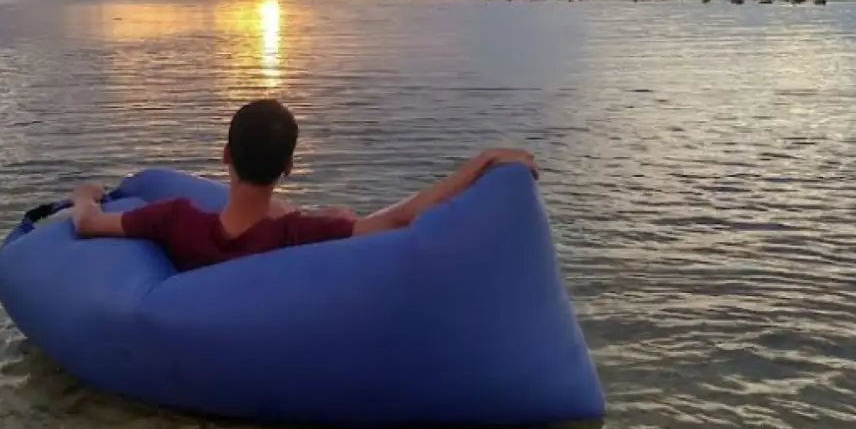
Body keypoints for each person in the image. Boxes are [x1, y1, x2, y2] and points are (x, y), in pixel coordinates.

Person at [66, 98, 538, 271]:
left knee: (325, 215)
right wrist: (482, 161)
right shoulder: (296, 237)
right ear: (289, 166)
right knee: (338, 215)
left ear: (225, 156)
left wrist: (86, 192)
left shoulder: (174, 219)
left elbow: (87, 224)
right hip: (284, 230)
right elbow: (400, 217)